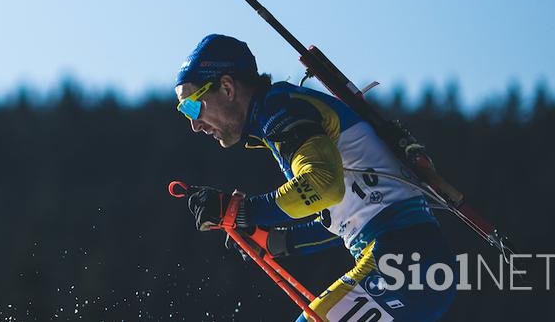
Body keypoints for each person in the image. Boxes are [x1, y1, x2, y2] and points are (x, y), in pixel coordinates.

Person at [175, 34, 456, 322]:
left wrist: (241, 211)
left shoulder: (279, 109)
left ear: (226, 87)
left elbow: (324, 184)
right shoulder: (278, 112)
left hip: (401, 262)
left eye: (192, 107)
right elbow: (347, 218)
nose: (194, 125)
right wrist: (275, 240)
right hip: (415, 267)